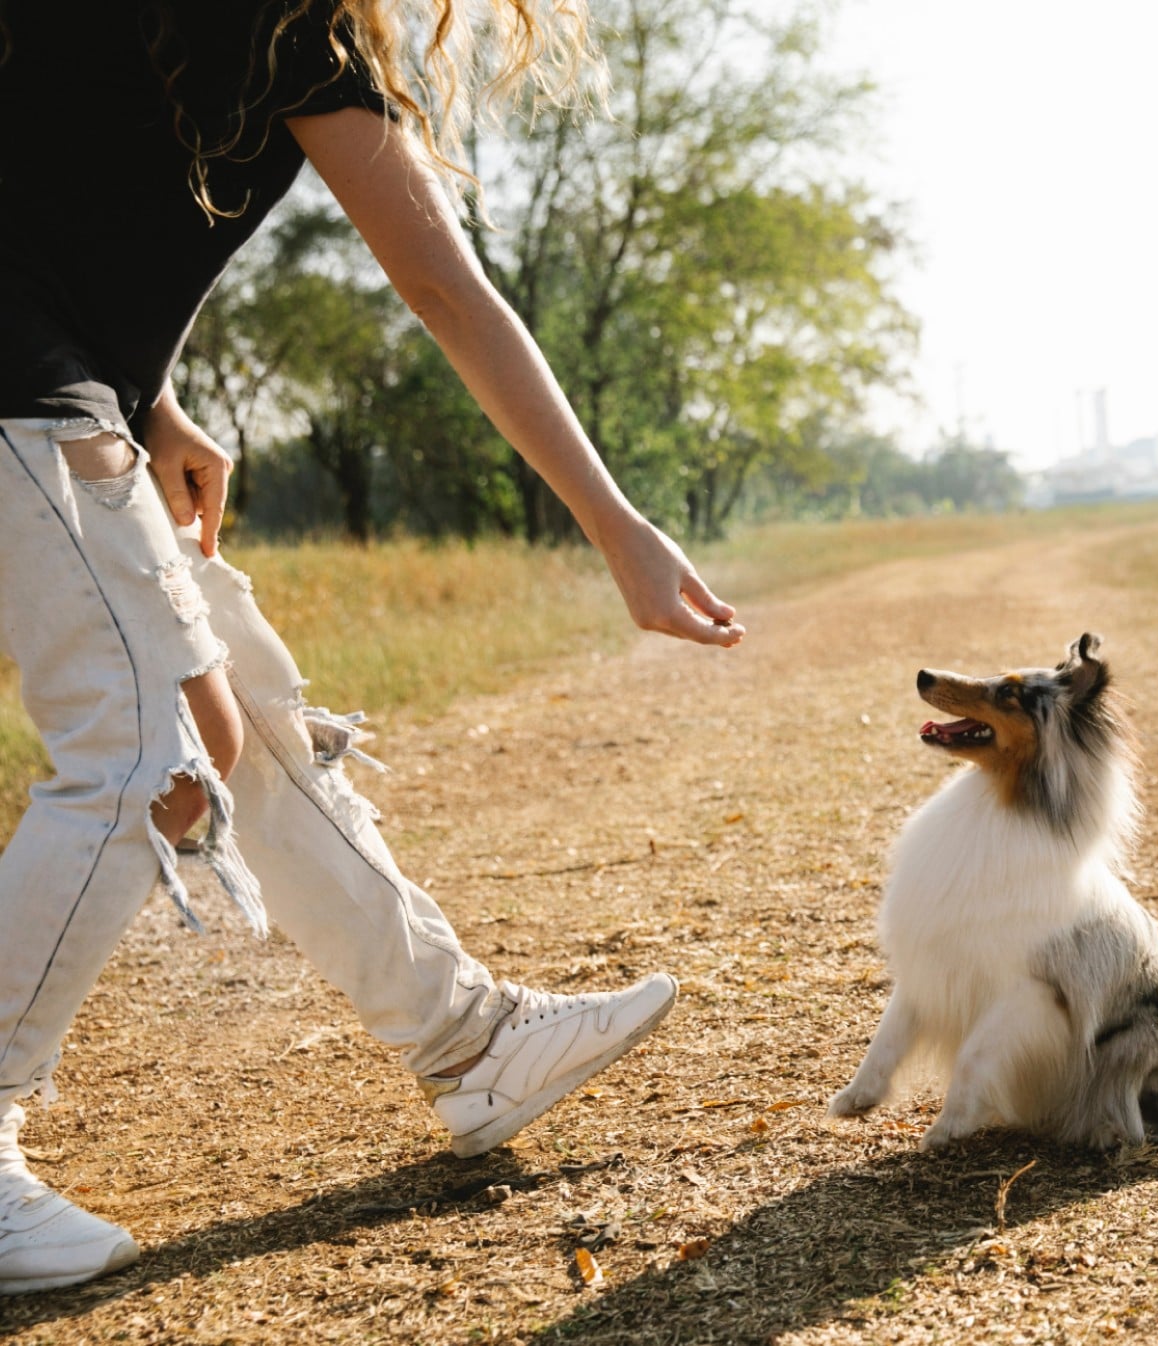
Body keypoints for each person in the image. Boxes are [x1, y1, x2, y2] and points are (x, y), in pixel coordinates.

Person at [0, 0, 745, 1294]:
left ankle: (467, 1041)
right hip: (22, 385)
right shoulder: (282, 29)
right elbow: (445, 288)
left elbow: (57, 195)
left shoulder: (253, 29)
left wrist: (155, 398)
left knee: (232, 690)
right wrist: (616, 526)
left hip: (59, 383)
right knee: (145, 739)